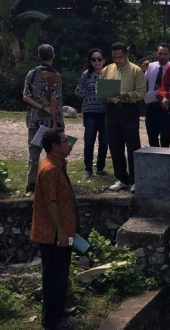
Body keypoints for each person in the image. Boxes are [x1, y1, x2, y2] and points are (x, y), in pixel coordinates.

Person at [31, 128, 78, 329]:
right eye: (65, 142)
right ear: (55, 147)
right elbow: (51, 203)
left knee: (62, 272)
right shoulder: (49, 169)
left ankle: (59, 309)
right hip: (53, 234)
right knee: (52, 276)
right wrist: (60, 230)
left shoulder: (58, 165)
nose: (69, 145)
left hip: (64, 231)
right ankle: (50, 320)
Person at [101, 42, 147, 193]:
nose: (117, 60)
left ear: (126, 55)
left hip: (128, 109)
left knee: (133, 145)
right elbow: (99, 88)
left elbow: (141, 92)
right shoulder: (107, 69)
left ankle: (135, 180)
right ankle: (121, 178)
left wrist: (126, 95)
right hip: (111, 109)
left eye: (120, 57)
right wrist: (104, 92)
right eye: (114, 57)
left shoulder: (136, 70)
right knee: (114, 144)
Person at [22, 44, 64, 197]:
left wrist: (40, 106)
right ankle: (54, 184)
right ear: (52, 56)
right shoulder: (56, 76)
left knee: (33, 154)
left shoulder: (31, 73)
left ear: (39, 56)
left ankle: (31, 185)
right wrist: (55, 120)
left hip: (34, 119)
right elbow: (56, 101)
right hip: (50, 122)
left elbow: (25, 96)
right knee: (53, 154)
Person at [74, 48, 108, 179]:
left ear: (104, 60)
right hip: (90, 112)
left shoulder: (110, 74)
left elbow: (115, 94)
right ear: (90, 61)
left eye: (99, 59)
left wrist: (108, 91)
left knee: (104, 142)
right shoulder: (86, 74)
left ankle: (100, 168)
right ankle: (88, 169)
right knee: (89, 141)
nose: (97, 62)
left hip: (105, 112)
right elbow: (78, 91)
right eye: (93, 59)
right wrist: (92, 91)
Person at [144, 43, 170, 148]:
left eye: (165, 54)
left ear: (169, 54)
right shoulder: (150, 66)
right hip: (151, 106)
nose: (163, 56)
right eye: (160, 53)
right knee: (152, 138)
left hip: (166, 106)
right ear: (156, 54)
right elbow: (143, 81)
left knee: (165, 138)